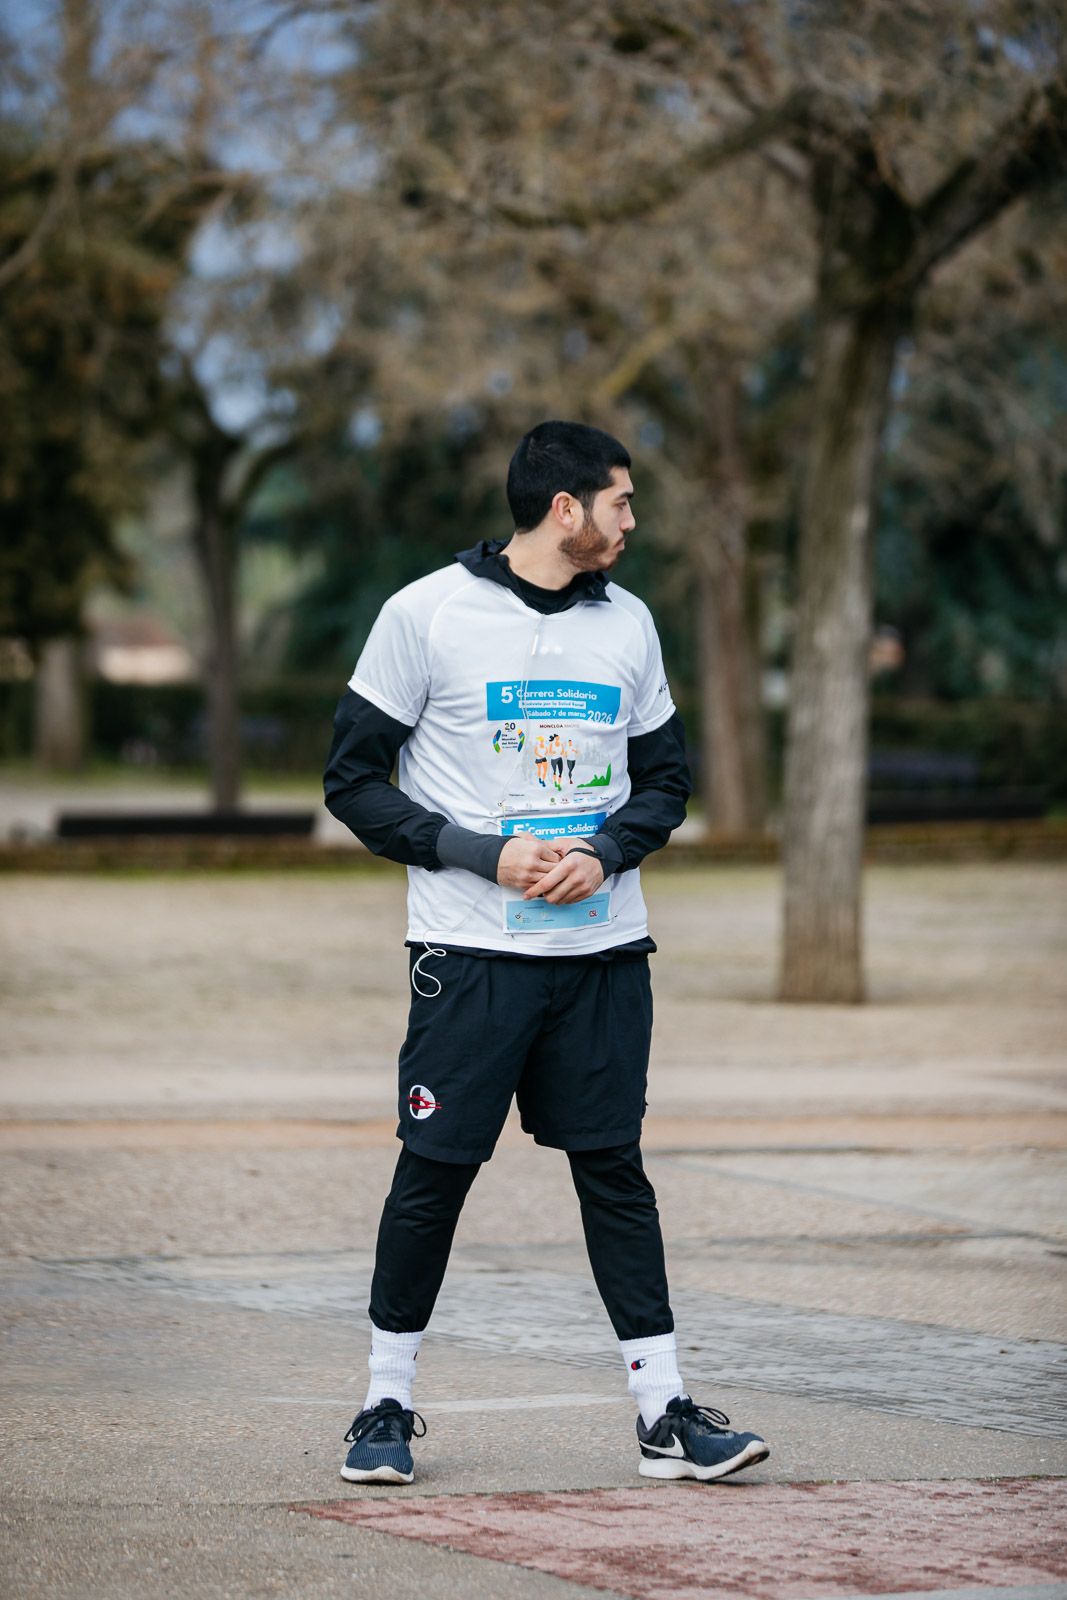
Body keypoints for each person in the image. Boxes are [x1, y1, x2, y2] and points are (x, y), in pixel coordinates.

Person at [323, 420, 769, 1486]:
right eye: (618, 503)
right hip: (469, 957)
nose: (630, 522)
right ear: (562, 509)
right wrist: (485, 853)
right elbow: (353, 781)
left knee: (613, 1172)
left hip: (605, 958)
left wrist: (607, 852)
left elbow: (665, 779)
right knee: (432, 1177)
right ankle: (383, 1405)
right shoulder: (423, 613)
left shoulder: (629, 626)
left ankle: (663, 1414)